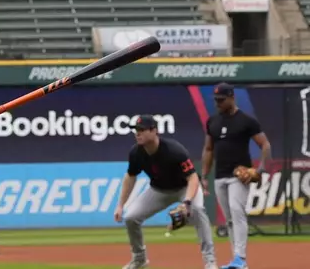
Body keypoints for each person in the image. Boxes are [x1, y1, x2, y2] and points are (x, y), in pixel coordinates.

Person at [114, 115, 217, 269]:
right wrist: (120, 205)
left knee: (198, 210)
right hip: (159, 191)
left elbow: (193, 178)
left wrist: (187, 202)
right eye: (135, 130)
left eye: (141, 130)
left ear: (154, 130)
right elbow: (130, 176)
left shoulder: (174, 150)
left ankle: (210, 262)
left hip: (184, 188)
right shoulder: (136, 152)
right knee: (130, 217)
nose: (137, 133)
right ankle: (139, 258)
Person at [201, 83, 271, 269]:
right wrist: (204, 175)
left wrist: (260, 169)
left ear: (232, 97)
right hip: (219, 176)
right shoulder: (212, 121)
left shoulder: (247, 120)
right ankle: (238, 261)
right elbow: (208, 149)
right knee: (230, 219)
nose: (218, 103)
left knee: (236, 210)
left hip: (240, 176)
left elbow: (265, 145)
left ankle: (240, 258)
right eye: (216, 100)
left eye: (221, 100)